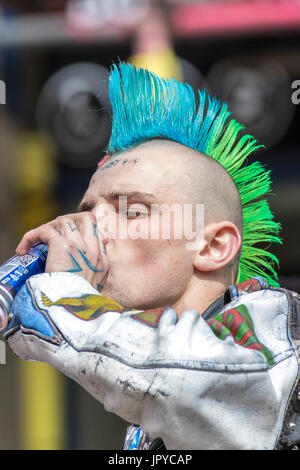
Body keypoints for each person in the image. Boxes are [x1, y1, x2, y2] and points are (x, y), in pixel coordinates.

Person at [5, 63, 300, 450]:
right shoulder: (148, 427)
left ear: (213, 247)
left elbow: (186, 382)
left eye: (133, 210)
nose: (94, 227)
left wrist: (58, 297)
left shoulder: (278, 332)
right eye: (88, 210)